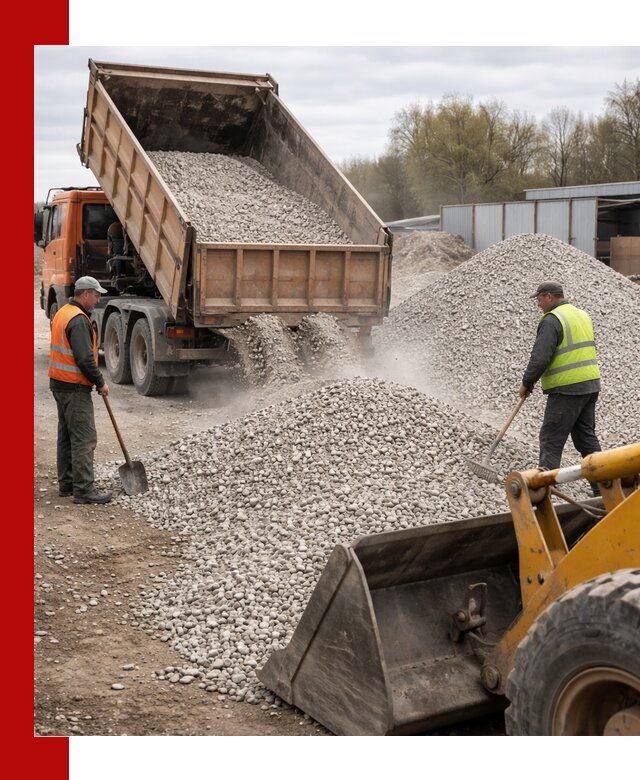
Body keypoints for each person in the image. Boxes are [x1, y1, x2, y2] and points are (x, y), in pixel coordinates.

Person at [519, 281, 602, 481]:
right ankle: (605, 487)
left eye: (539, 299)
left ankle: (546, 491)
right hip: (590, 384)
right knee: (585, 438)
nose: (538, 304)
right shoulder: (581, 314)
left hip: (567, 389)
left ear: (550, 297)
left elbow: (540, 357)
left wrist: (526, 382)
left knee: (551, 439)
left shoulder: (552, 319)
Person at [48, 276, 112, 504]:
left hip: (59, 384)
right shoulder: (78, 320)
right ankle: (84, 489)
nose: (97, 300)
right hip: (74, 388)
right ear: (84, 294)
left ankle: (67, 484)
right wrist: (100, 382)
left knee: (66, 436)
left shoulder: (63, 312)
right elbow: (85, 359)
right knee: (84, 437)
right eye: (96, 295)